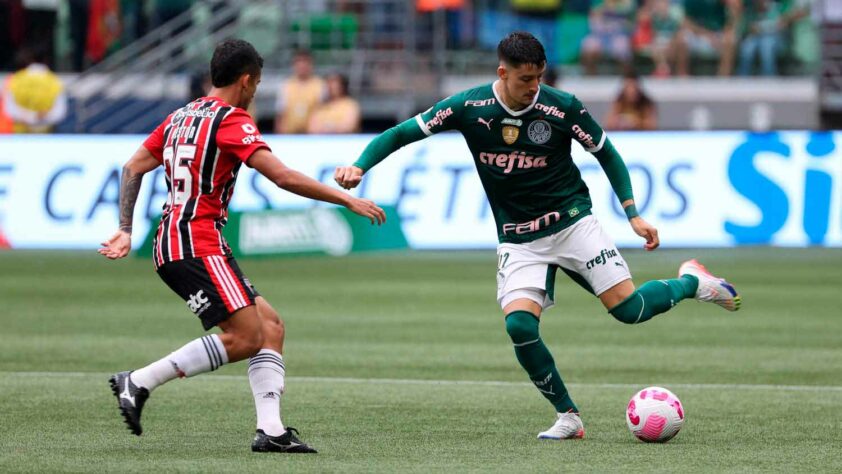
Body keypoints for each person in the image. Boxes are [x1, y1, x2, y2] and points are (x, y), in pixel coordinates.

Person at [334, 31, 741, 440]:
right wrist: (359, 165)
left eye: (539, 78)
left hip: (572, 222)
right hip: (518, 238)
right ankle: (569, 416)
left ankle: (692, 281)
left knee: (628, 310)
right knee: (520, 328)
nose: (534, 88)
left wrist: (632, 213)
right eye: (526, 79)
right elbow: (402, 132)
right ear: (503, 72)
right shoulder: (468, 106)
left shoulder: (561, 107)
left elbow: (606, 153)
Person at [99, 39, 386, 453]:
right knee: (248, 336)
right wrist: (347, 199)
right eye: (257, 83)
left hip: (187, 240)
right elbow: (282, 177)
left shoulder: (181, 116)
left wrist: (125, 227)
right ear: (246, 80)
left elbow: (132, 166)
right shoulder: (232, 120)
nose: (256, 92)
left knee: (270, 327)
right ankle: (139, 381)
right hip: (194, 242)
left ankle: (270, 430)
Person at [1, 48, 67, 133]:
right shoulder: (55, 81)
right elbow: (59, 113)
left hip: (19, 137)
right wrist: (39, 117)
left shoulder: (15, 80)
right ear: (46, 60)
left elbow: (9, 110)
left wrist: (29, 117)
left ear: (28, 60)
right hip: (45, 136)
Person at [679, 0, 742, 76]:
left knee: (729, 40)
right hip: (698, 34)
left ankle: (723, 79)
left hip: (719, 34)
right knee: (681, 39)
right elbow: (685, 22)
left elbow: (732, 21)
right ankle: (683, 79)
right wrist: (708, 35)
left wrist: (733, 7)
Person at [274, 50, 326, 134]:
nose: (302, 65)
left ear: (311, 64)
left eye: (305, 62)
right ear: (294, 65)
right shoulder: (286, 85)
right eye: (299, 62)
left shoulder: (320, 85)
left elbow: (324, 112)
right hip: (289, 135)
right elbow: (280, 113)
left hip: (313, 136)